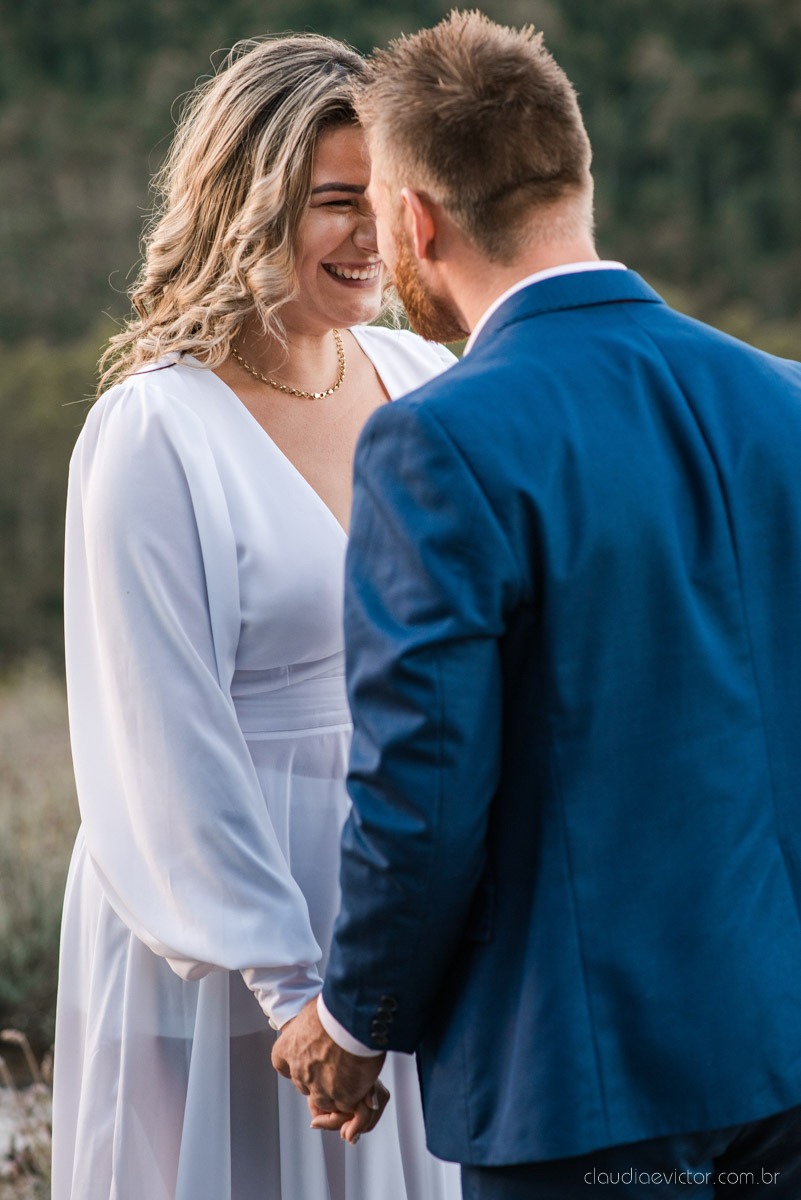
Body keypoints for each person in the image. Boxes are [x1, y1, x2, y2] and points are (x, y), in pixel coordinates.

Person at [272, 11, 801, 1199]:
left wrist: (355, 1026)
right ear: (575, 173)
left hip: (585, 1090)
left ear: (417, 219)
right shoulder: (785, 400)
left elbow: (426, 786)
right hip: (784, 1053)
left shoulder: (437, 440)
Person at [51, 33, 461, 1200]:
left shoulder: (424, 381)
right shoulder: (154, 432)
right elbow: (160, 733)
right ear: (249, 202)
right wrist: (292, 987)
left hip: (393, 906)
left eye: (387, 201)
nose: (377, 238)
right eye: (339, 203)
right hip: (217, 931)